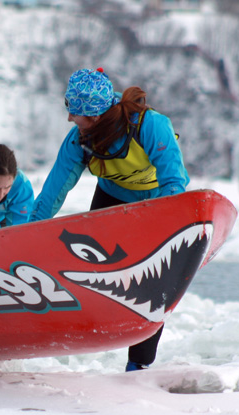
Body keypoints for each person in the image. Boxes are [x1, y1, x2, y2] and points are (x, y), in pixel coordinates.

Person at [31, 68, 189, 372]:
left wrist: (159, 224)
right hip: (112, 200)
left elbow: (174, 180)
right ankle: (93, 331)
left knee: (152, 283)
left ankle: (139, 364)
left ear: (95, 117)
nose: (69, 120)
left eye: (75, 114)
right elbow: (53, 192)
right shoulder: (79, 140)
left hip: (157, 204)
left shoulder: (150, 125)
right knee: (91, 268)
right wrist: (23, 233)